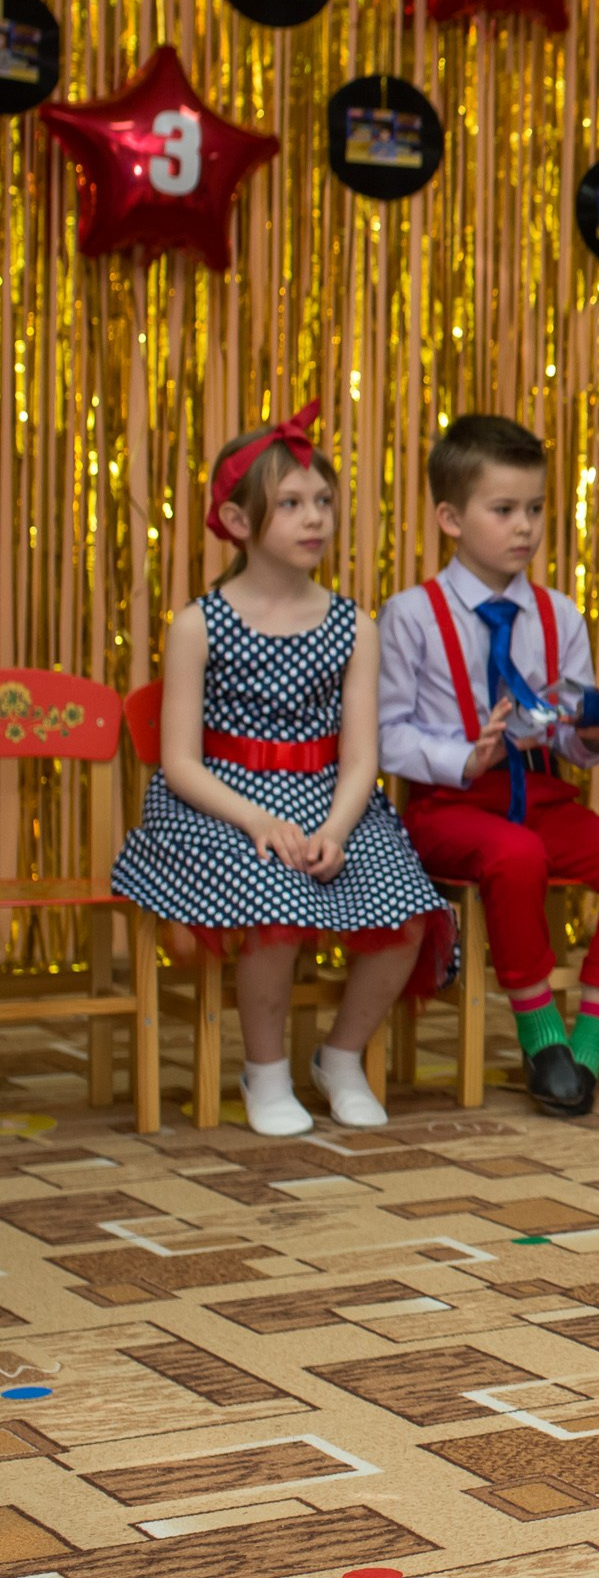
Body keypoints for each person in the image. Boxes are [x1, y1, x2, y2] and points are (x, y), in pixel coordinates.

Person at [114, 405, 453, 1137]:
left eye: (324, 502)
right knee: (276, 902)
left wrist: (335, 827)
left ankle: (341, 1056)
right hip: (220, 803)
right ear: (236, 521)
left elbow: (360, 755)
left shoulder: (351, 625)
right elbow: (178, 762)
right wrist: (260, 820)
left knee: (404, 909)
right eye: (293, 504)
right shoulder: (198, 624)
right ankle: (264, 1072)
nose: (315, 519)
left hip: (327, 798)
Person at [378, 415, 599, 1120]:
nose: (525, 528)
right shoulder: (410, 615)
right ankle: (541, 1036)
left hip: (541, 795)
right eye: (503, 510)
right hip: (449, 806)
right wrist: (460, 756)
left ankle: (586, 1046)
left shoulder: (559, 614)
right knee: (515, 856)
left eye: (536, 509)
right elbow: (386, 737)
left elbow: (571, 742)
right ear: (450, 518)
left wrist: (593, 735)